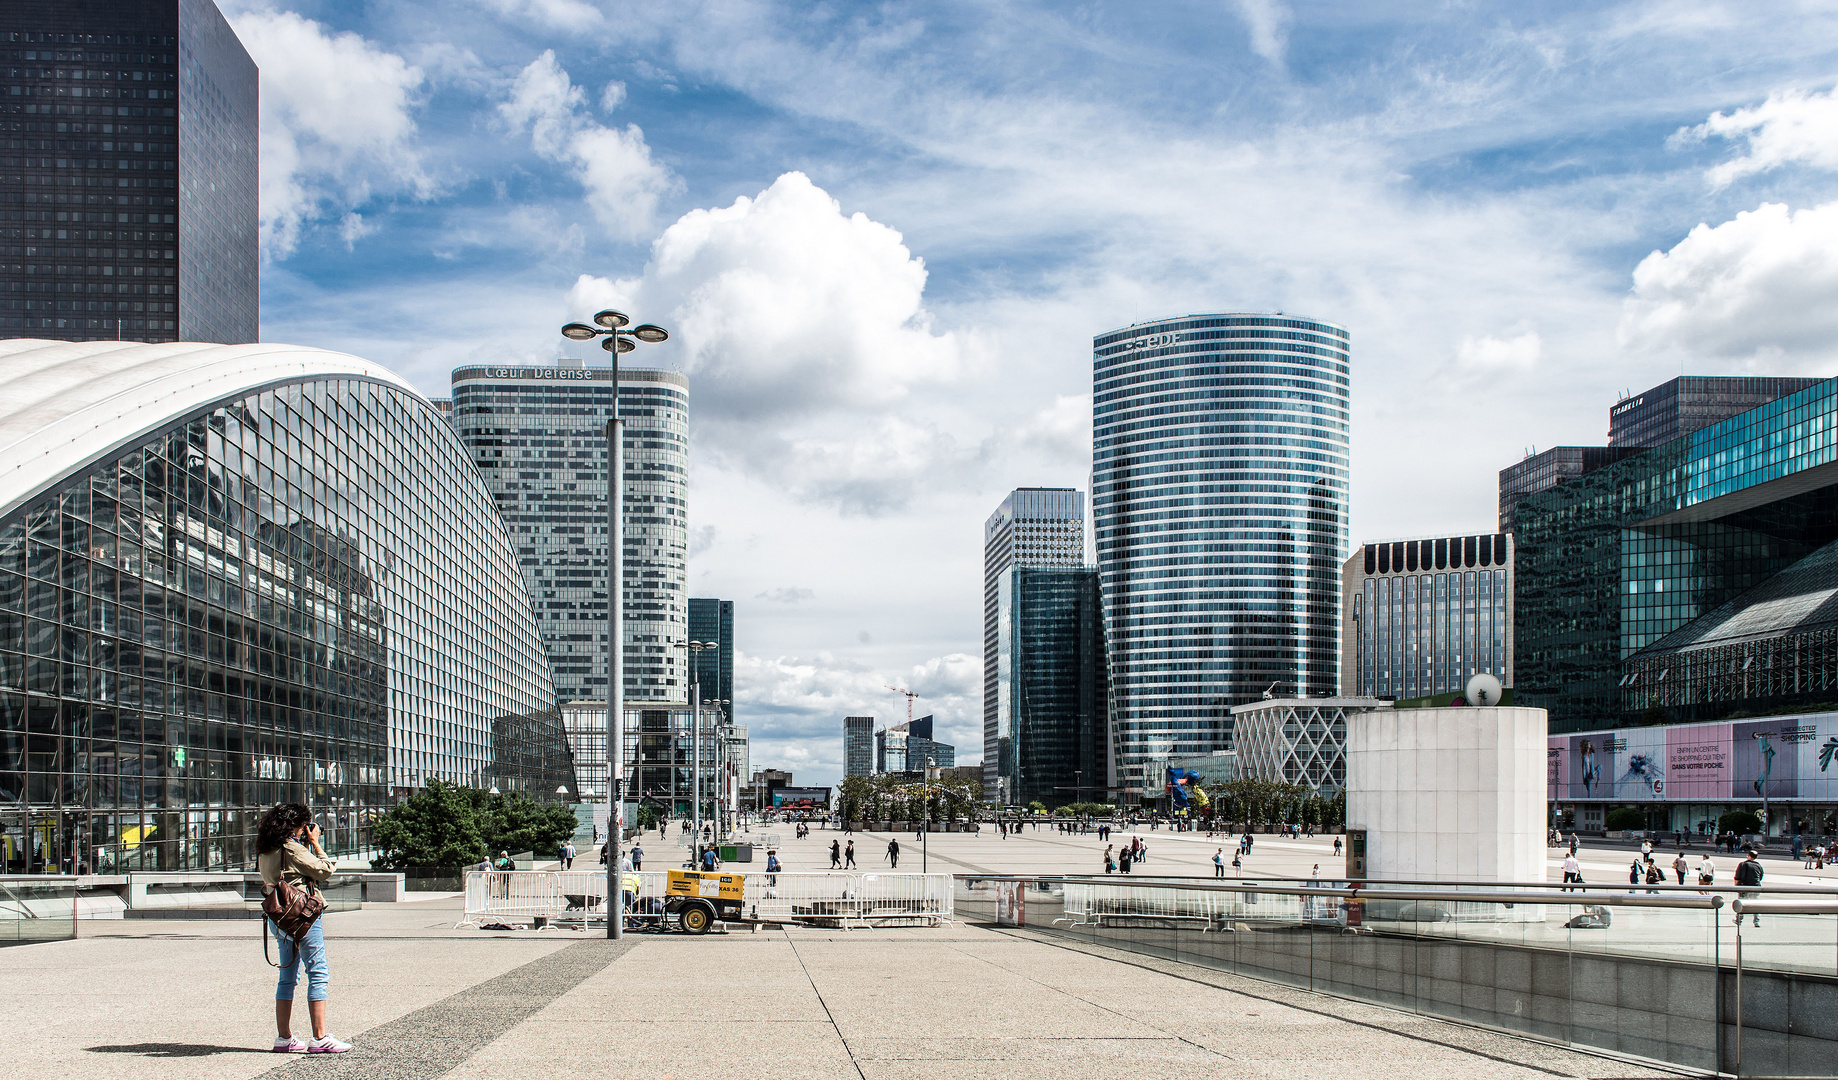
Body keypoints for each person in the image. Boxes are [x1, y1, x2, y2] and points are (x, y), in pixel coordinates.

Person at [256, 803, 350, 1054]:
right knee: (318, 973)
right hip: (303, 918)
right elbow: (324, 870)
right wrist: (316, 843)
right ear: (294, 826)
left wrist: (302, 843)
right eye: (301, 826)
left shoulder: (266, 848)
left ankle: (284, 1038)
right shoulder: (291, 848)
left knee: (287, 978)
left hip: (279, 919)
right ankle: (320, 1038)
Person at [1734, 849, 1764, 926]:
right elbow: (1761, 877)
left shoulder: (1742, 864)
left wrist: (1736, 886)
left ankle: (1739, 920)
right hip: (1756, 886)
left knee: (1742, 904)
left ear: (1749, 855)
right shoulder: (1758, 865)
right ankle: (1756, 921)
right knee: (1755, 904)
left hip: (1744, 886)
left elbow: (1737, 877)